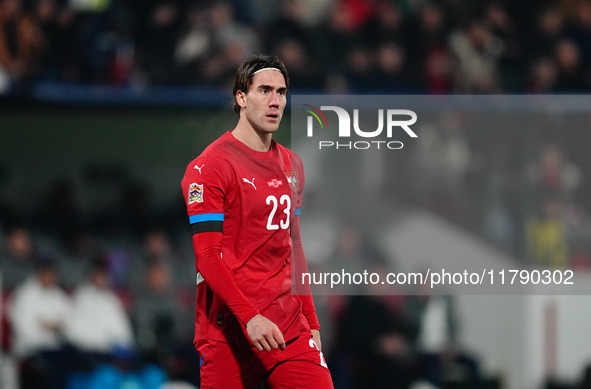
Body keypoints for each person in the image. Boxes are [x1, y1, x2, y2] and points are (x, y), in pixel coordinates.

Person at [180, 54, 333, 388]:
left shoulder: (293, 165)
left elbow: (293, 247)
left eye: (281, 92)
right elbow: (207, 256)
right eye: (264, 90)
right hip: (229, 328)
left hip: (287, 325)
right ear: (241, 98)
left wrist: (312, 321)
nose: (275, 101)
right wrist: (250, 318)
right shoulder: (210, 167)